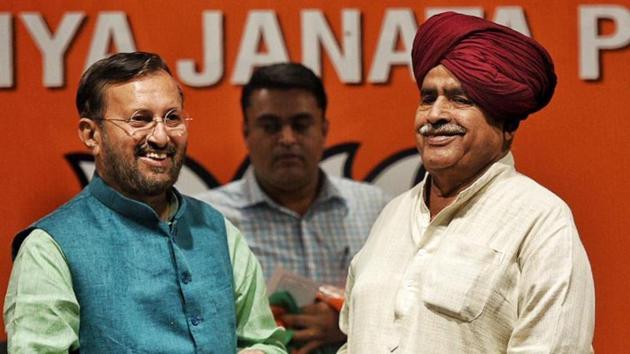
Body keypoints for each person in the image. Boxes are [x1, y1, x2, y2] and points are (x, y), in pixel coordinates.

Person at [338, 12, 595, 353]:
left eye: (460, 99)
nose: (435, 115)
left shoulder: (541, 220)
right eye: (428, 98)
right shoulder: (391, 216)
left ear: (507, 126)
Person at [3, 52, 286, 353]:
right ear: (91, 135)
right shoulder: (49, 248)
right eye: (140, 119)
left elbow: (265, 342)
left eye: (172, 118)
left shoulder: (217, 229)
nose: (161, 137)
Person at [196, 63, 390, 353]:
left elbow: (404, 302)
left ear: (324, 130)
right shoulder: (208, 219)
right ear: (246, 132)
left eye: (301, 125)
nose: (287, 139)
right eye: (270, 126)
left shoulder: (375, 207)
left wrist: (346, 322)